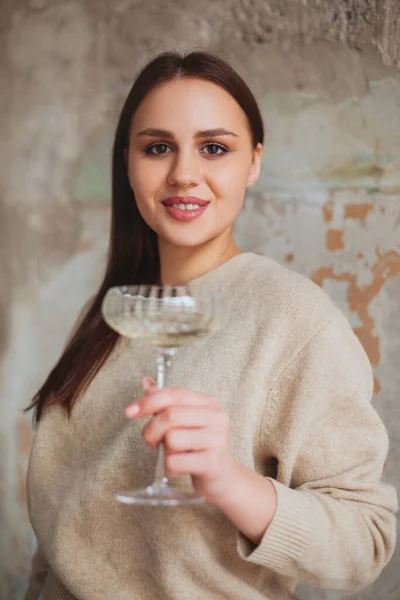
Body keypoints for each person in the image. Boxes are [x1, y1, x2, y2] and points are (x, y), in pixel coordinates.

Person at [24, 51, 397, 600]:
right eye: (157, 148)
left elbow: (367, 542)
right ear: (127, 163)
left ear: (253, 163)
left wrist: (231, 483)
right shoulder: (109, 313)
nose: (182, 174)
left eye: (215, 148)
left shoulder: (295, 319)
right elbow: (61, 542)